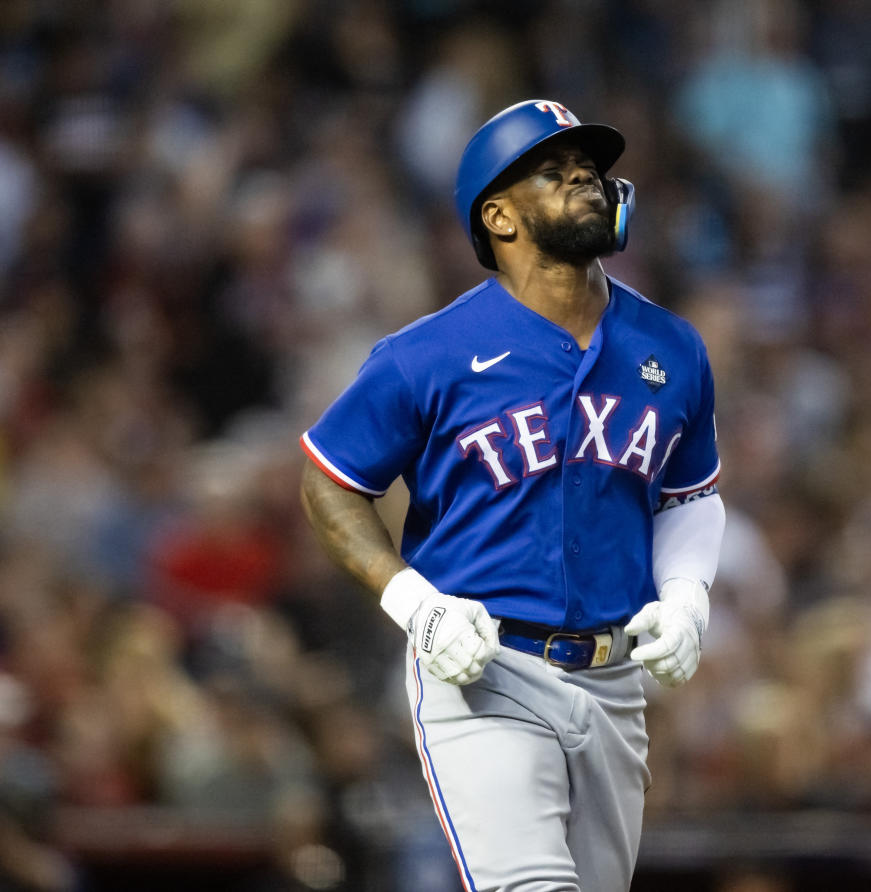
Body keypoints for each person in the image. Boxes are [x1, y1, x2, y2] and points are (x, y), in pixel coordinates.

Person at [298, 99, 726, 891]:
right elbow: (331, 483)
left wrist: (687, 596)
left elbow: (689, 493)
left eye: (589, 170)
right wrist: (413, 604)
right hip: (482, 668)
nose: (584, 181)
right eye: (553, 171)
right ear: (497, 215)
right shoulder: (428, 354)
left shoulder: (672, 346)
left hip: (614, 680)